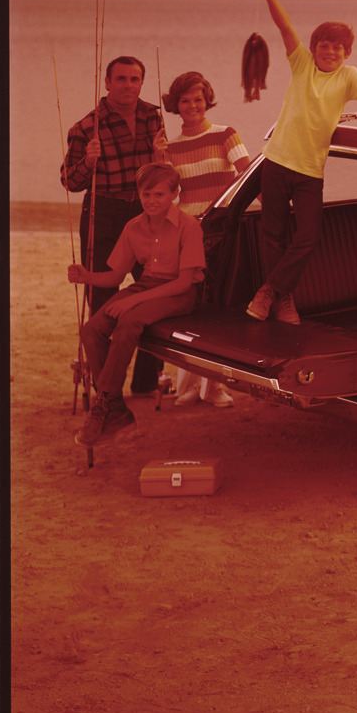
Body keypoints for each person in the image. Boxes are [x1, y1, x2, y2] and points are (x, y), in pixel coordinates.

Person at [246, 0, 357, 324]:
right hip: (277, 163)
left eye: (337, 48)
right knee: (273, 235)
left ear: (347, 53)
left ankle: (269, 290)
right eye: (324, 46)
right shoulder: (302, 64)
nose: (330, 52)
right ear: (313, 48)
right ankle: (283, 300)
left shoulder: (349, 76)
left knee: (308, 236)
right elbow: (286, 28)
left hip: (310, 172)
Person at [68, 162, 205, 448]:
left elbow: (183, 283)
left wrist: (133, 299)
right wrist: (86, 276)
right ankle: (114, 406)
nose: (151, 201)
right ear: (139, 194)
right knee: (91, 330)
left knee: (128, 323)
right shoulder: (133, 227)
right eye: (146, 194)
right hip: (146, 286)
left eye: (159, 194)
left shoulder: (189, 226)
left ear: (174, 194)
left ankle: (104, 404)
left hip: (179, 293)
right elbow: (115, 277)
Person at [62, 55, 167, 396]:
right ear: (107, 82)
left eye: (134, 79)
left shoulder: (154, 117)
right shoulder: (85, 127)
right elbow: (70, 182)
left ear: (142, 82)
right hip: (104, 211)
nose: (128, 85)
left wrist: (162, 157)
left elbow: (164, 173)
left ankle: (147, 382)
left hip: (146, 211)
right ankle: (107, 386)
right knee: (103, 299)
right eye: (121, 79)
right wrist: (88, 161)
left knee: (154, 293)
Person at [161, 69, 251, 408]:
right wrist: (158, 158)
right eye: (185, 101)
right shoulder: (169, 147)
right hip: (189, 233)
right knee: (192, 308)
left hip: (224, 230)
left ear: (206, 100)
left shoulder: (225, 134)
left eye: (198, 99)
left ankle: (215, 387)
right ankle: (188, 387)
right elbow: (167, 195)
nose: (193, 106)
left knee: (220, 308)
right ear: (176, 105)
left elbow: (247, 176)